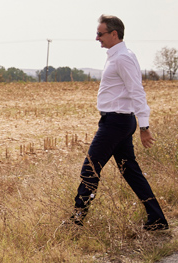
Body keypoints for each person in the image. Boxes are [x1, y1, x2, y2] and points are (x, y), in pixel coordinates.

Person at [70, 15, 168, 231]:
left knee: (90, 169)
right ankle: (157, 218)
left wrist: (144, 127)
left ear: (114, 34)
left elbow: (137, 92)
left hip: (116, 122)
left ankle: (76, 221)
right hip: (116, 121)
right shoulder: (116, 56)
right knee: (129, 170)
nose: (97, 38)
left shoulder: (123, 58)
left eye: (100, 33)